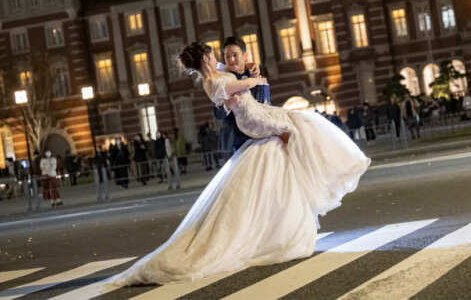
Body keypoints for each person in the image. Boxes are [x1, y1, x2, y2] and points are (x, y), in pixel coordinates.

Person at [107, 42, 369, 286]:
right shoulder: (211, 81)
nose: (218, 59)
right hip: (251, 120)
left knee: (301, 124)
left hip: (255, 111)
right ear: (205, 59)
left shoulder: (216, 73)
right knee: (296, 130)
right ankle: (323, 176)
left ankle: (304, 198)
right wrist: (253, 80)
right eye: (213, 55)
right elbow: (235, 87)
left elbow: (233, 74)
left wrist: (250, 67)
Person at [213, 36, 269, 156]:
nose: (231, 59)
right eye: (227, 56)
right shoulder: (223, 80)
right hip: (238, 142)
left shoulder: (255, 75)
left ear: (245, 56)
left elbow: (266, 104)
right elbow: (217, 113)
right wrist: (228, 104)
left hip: (261, 136)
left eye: (235, 55)